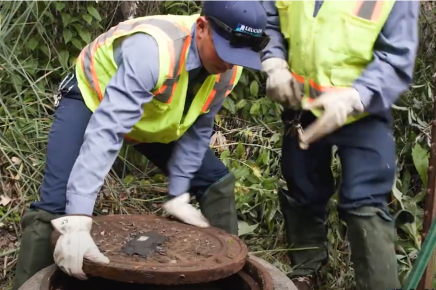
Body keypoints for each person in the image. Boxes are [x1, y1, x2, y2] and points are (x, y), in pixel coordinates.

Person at [12, 1, 270, 289]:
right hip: (93, 101)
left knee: (216, 183)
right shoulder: (154, 50)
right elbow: (107, 131)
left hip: (154, 116)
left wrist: (180, 188)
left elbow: (199, 127)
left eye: (239, 56)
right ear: (201, 28)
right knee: (55, 208)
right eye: (225, 51)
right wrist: (79, 218)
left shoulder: (229, 69)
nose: (229, 62)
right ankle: (32, 283)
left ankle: (222, 278)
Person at [261, 1, 419, 290]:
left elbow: (397, 57)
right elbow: (268, 18)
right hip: (302, 104)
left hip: (362, 109)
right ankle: (305, 272)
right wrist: (274, 61)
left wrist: (354, 96)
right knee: (302, 186)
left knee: (364, 199)